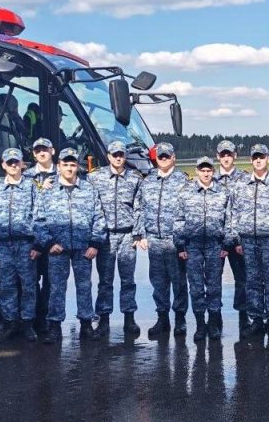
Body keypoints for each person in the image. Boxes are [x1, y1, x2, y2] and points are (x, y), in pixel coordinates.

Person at [33, 148, 107, 344]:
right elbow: (38, 221)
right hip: (58, 249)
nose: (69, 168)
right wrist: (49, 243)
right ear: (58, 166)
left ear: (77, 167)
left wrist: (95, 243)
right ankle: (54, 326)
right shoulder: (47, 191)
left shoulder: (89, 190)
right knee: (56, 288)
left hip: (83, 248)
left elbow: (99, 218)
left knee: (84, 286)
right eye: (65, 164)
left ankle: (86, 324)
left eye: (72, 164)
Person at [228, 144, 269, 341]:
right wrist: (236, 239)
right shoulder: (240, 185)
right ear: (250, 160)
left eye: (261, 157)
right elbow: (233, 213)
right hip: (247, 241)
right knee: (252, 281)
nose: (258, 160)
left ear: (268, 159)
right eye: (255, 157)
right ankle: (255, 319)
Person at [174, 157, 234, 342]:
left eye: (209, 170)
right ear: (197, 171)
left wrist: (227, 244)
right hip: (192, 245)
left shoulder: (223, 192)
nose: (206, 173)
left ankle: (213, 323)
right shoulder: (185, 192)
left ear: (213, 172)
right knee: (196, 287)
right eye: (202, 170)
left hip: (215, 245)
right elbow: (179, 220)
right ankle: (200, 325)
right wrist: (180, 245)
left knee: (214, 285)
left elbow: (230, 220)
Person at [0, 148, 41, 343]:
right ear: (3, 165)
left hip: (26, 244)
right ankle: (10, 322)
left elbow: (39, 216)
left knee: (28, 285)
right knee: (6, 285)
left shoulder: (32, 187)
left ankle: (27, 323)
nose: (14, 165)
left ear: (22, 164)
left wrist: (38, 244)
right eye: (10, 162)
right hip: (3, 245)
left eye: (17, 162)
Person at [91, 140, 144, 338]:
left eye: (121, 154)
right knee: (105, 281)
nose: (119, 158)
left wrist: (138, 233)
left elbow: (139, 208)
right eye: (115, 155)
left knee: (128, 279)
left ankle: (129, 318)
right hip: (105, 237)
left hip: (127, 235)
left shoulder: (134, 178)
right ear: (108, 156)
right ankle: (103, 320)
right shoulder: (96, 177)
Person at [140, 142, 189, 338]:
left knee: (179, 282)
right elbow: (139, 208)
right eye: (160, 156)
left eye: (167, 156)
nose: (163, 159)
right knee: (158, 282)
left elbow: (188, 211)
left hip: (174, 240)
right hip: (154, 239)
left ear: (174, 158)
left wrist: (183, 239)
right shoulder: (148, 181)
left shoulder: (183, 181)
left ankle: (180, 319)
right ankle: (162, 319)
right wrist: (141, 234)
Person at [215, 140, 248, 331]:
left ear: (235, 155)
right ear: (218, 156)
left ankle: (244, 318)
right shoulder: (211, 178)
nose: (226, 158)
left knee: (242, 279)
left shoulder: (244, 178)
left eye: (229, 154)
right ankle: (216, 317)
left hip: (237, 238)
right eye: (223, 154)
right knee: (214, 279)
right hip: (217, 239)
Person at [25, 137, 57, 329]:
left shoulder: (63, 172)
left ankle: (46, 316)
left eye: (45, 149)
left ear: (52, 151)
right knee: (31, 279)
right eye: (38, 150)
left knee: (52, 280)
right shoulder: (26, 176)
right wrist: (41, 191)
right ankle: (33, 316)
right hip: (32, 239)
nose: (41, 153)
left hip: (55, 238)